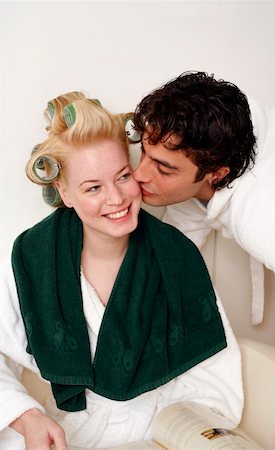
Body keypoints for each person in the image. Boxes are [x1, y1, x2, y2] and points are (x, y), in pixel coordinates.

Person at [0, 92, 243, 449]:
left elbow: (214, 379)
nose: (116, 199)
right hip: (64, 433)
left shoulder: (176, 255)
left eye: (123, 176)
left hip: (157, 432)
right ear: (64, 192)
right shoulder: (31, 257)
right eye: (93, 187)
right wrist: (27, 417)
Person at [132, 71, 275, 360]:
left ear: (216, 176)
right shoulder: (215, 120)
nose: (139, 174)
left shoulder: (270, 225)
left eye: (163, 168)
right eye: (144, 152)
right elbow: (169, 255)